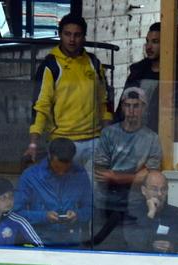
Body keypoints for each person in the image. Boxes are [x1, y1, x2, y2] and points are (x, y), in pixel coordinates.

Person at [24, 13, 113, 174]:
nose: (72, 39)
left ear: (84, 37)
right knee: (63, 187)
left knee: (95, 188)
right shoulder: (51, 65)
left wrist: (107, 137)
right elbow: (41, 106)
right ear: (60, 35)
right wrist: (33, 142)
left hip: (94, 141)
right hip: (62, 141)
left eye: (77, 35)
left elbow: (104, 102)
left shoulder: (93, 63)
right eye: (67, 34)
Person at [93, 87, 162, 250]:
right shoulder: (108, 134)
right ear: (122, 107)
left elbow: (149, 176)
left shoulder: (152, 138)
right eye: (127, 105)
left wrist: (115, 177)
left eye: (136, 106)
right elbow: (101, 173)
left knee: (135, 246)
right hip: (107, 201)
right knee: (104, 248)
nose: (131, 111)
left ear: (144, 108)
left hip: (136, 203)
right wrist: (134, 176)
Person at [14, 137, 93, 247]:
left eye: (66, 169)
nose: (61, 172)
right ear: (49, 157)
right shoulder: (30, 176)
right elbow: (16, 214)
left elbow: (90, 208)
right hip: (39, 242)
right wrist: (44, 216)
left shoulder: (80, 174)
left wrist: (78, 215)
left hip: (72, 242)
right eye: (57, 167)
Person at [123, 170, 178, 254]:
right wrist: (150, 214)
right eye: (154, 189)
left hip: (172, 260)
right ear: (144, 190)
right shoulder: (133, 213)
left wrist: (172, 247)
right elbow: (131, 245)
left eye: (163, 189)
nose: (159, 194)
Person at [0, 177, 43, 247]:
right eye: (3, 198)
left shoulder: (20, 222)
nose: (9, 201)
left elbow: (39, 247)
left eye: (11, 196)